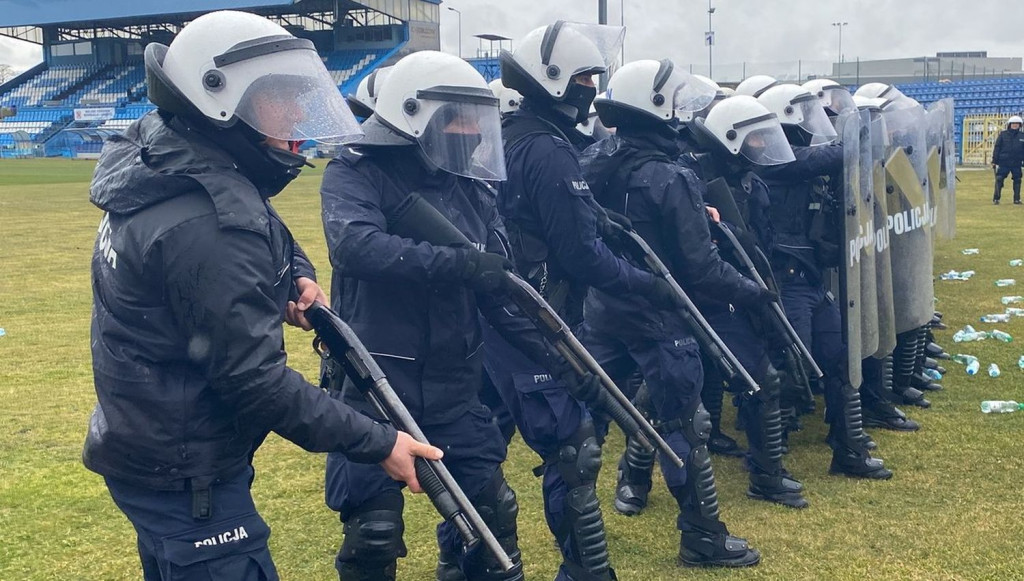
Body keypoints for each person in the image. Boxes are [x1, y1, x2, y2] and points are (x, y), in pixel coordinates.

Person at [83, 11, 441, 581]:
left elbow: (259, 221)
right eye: (279, 98)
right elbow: (257, 382)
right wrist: (380, 443)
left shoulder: (170, 158)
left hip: (146, 444)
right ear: (220, 100)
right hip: (186, 470)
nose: (297, 116)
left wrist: (291, 273)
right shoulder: (213, 225)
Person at [320, 49, 601, 581]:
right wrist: (461, 263)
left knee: (495, 518)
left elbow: (497, 296)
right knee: (373, 536)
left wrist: (562, 361)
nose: (473, 130)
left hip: (454, 389)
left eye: (477, 117)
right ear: (415, 115)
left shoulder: (470, 186)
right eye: (460, 116)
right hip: (376, 389)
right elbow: (354, 247)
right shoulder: (356, 173)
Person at [483, 21, 683, 581]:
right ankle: (585, 572)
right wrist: (649, 283)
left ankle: (465, 562)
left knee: (480, 450)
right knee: (573, 452)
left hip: (494, 318)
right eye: (583, 77)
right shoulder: (548, 149)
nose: (591, 88)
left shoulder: (508, 133)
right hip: (536, 319)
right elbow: (581, 258)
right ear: (550, 80)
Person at [580, 59, 772, 567]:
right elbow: (700, 268)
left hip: (603, 309)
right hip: (660, 313)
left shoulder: (594, 160)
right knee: (686, 424)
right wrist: (754, 292)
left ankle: (623, 493)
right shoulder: (670, 176)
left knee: (588, 425)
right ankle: (703, 537)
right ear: (656, 106)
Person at [754, 84, 893, 479]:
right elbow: (824, 157)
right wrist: (858, 136)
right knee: (788, 371)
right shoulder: (771, 161)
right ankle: (769, 464)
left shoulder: (798, 161)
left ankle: (847, 451)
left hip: (811, 280)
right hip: (785, 281)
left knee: (840, 360)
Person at [991, 115, 1024, 205]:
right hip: (1004, 162)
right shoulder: (1003, 134)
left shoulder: (1022, 136)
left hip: (1017, 162)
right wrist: (994, 161)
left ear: (1020, 125)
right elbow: (997, 148)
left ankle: (1017, 199)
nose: (1015, 125)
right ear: (1009, 125)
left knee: (1017, 180)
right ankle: (996, 198)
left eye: (1017, 124)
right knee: (999, 179)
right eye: (1013, 123)